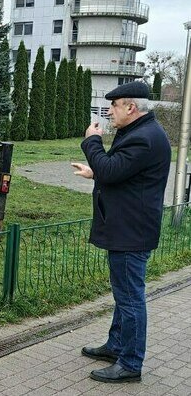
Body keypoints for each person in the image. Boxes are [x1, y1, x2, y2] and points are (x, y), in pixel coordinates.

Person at [71, 81, 171, 384]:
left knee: (130, 299)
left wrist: (92, 141)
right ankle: (116, 346)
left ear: (131, 107)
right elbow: (120, 171)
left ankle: (129, 363)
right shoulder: (140, 133)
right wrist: (95, 171)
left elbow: (113, 170)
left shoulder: (144, 138)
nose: (109, 111)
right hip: (129, 227)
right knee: (124, 295)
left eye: (113, 106)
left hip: (131, 231)